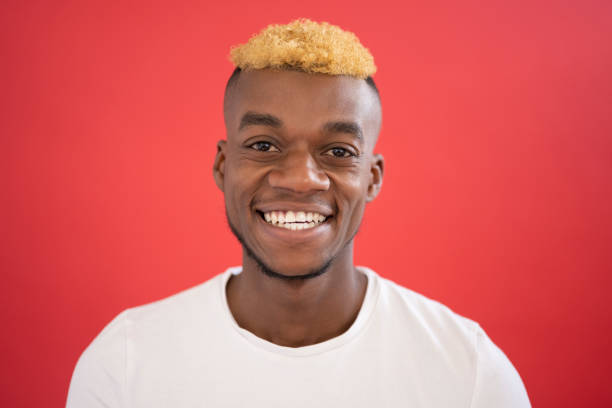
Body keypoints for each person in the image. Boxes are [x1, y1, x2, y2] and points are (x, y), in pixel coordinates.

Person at [66, 19, 531, 407]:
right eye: (264, 145)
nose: (301, 178)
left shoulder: (468, 373)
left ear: (372, 178)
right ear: (223, 166)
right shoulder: (125, 365)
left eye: (337, 150)